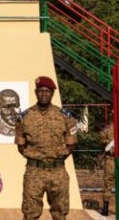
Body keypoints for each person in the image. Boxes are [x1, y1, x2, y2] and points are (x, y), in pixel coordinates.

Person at [15, 76, 77, 220]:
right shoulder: (24, 117)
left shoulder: (65, 116)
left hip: (58, 172)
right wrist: (35, 157)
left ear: (52, 93)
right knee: (30, 213)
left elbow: (71, 143)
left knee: (60, 213)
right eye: (41, 91)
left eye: (47, 91)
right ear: (36, 92)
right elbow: (21, 145)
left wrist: (56, 158)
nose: (44, 94)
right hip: (34, 172)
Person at [99, 121, 119, 217]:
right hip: (111, 158)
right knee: (108, 182)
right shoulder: (107, 129)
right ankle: (105, 208)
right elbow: (101, 140)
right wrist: (110, 142)